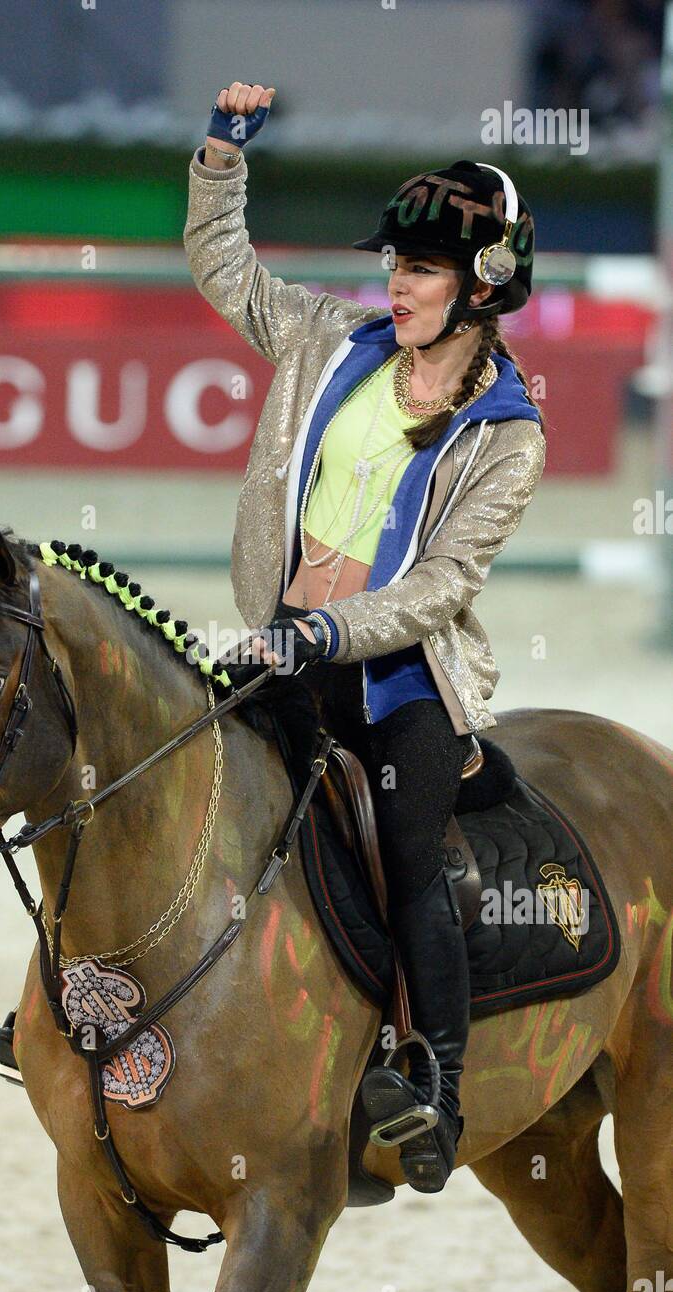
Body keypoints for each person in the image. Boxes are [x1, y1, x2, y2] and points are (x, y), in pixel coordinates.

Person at [185, 81, 545, 1192]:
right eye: (394, 262)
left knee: (404, 859)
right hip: (280, 645)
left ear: (482, 285)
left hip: (395, 683)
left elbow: (439, 585)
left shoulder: (507, 438)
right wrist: (220, 156)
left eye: (421, 268)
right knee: (168, 786)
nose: (394, 282)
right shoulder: (325, 338)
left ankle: (432, 1087)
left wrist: (324, 634)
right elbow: (224, 270)